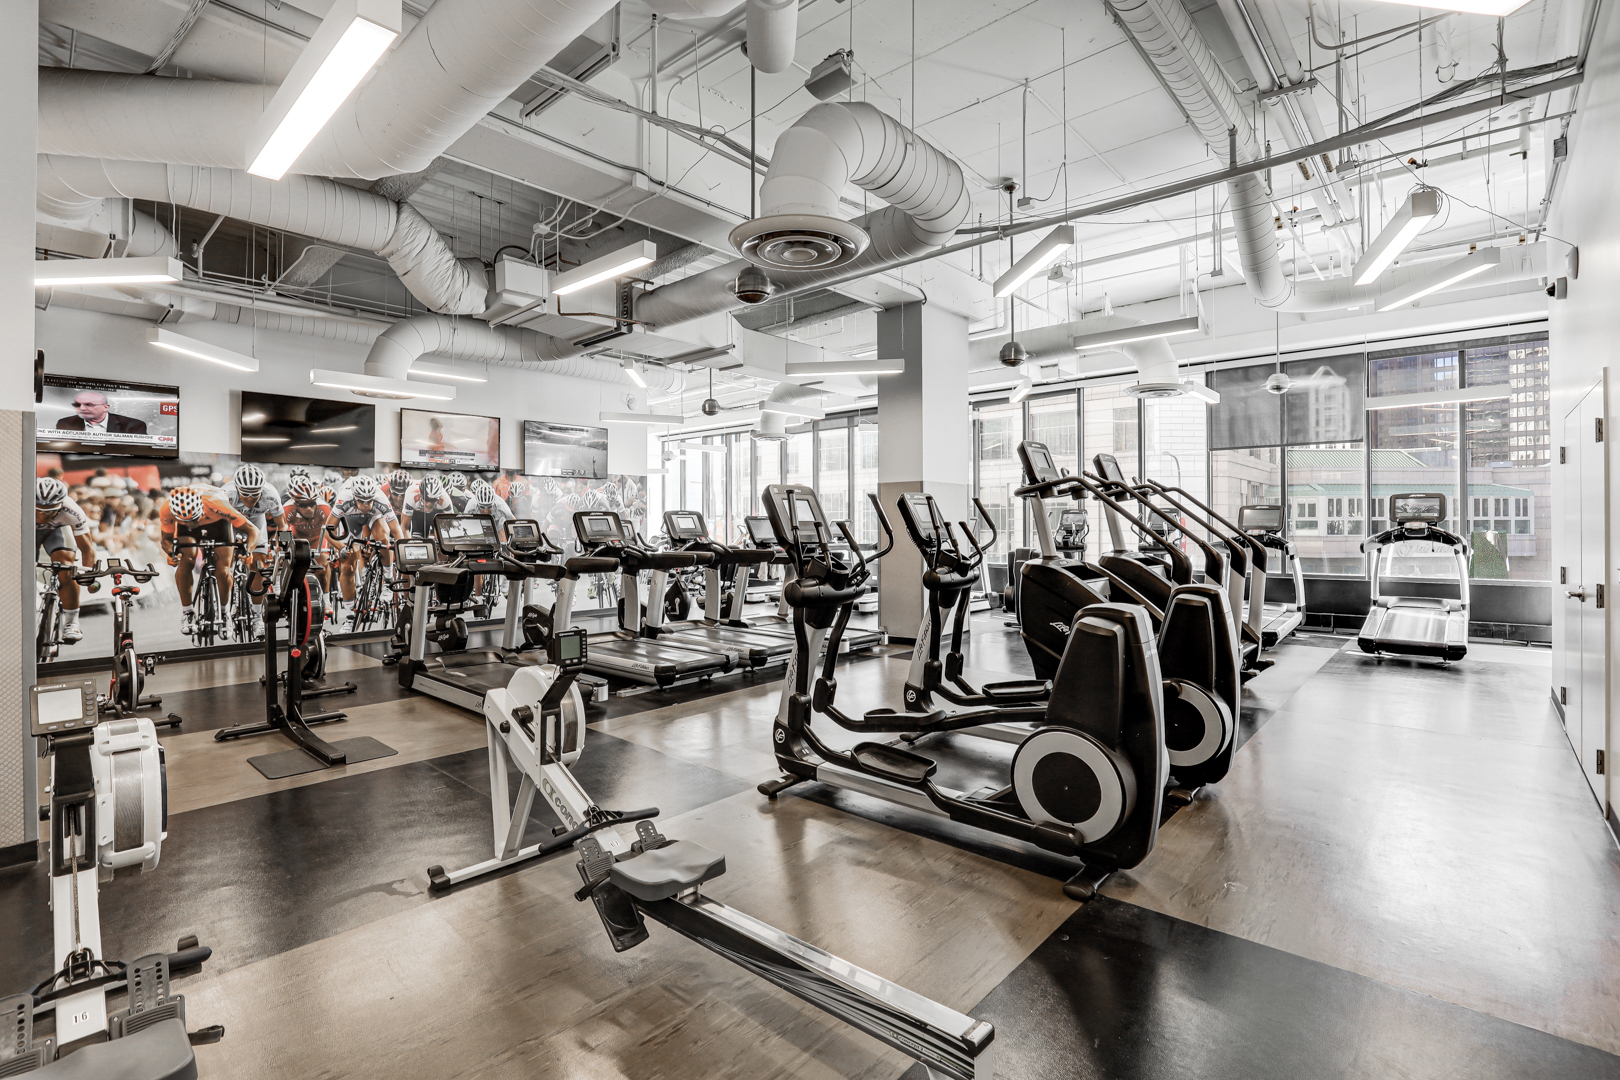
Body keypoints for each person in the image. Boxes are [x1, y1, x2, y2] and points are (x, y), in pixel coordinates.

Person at [159, 484, 258, 637]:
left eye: (193, 519)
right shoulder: (167, 509)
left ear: (201, 507)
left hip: (217, 524)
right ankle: (187, 612)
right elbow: (166, 540)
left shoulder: (218, 504)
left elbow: (253, 530)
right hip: (188, 532)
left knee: (223, 569)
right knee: (187, 560)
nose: (192, 523)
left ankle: (225, 613)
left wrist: (248, 551)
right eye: (186, 520)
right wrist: (172, 553)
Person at [221, 463, 286, 639]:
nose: (250, 499)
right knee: (224, 563)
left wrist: (283, 546)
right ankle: (224, 611)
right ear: (237, 488)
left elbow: (282, 526)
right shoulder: (226, 494)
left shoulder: (270, 494)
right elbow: (216, 525)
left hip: (257, 524)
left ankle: (258, 618)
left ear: (262, 490)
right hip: (231, 525)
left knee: (257, 566)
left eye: (255, 494)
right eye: (246, 494)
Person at [35, 477, 97, 645]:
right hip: (27, 530)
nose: (42, 515)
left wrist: (89, 577)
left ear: (60, 505)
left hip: (57, 531)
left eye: (49, 511)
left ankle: (71, 623)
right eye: (38, 510)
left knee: (66, 570)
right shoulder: (17, 503)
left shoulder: (72, 510)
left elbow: (87, 549)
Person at [329, 474, 403, 610]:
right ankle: (350, 616)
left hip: (373, 517)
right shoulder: (344, 498)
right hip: (349, 520)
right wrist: (341, 548)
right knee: (346, 567)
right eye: (362, 501)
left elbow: (396, 529)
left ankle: (388, 580)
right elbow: (328, 531)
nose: (366, 504)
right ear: (354, 497)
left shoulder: (380, 498)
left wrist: (403, 552)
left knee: (383, 539)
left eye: (369, 501)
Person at [280, 476, 335, 592]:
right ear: (296, 504)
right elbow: (284, 530)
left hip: (317, 539)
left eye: (312, 504)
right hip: (298, 539)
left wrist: (335, 551)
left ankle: (326, 599)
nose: (309, 508)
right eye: (304, 505)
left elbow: (331, 534)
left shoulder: (324, 508)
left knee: (323, 565)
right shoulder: (287, 509)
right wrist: (283, 548)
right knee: (289, 564)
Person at [54, 390, 148, 434]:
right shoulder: (65, 423)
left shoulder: (133, 425)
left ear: (105, 407)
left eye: (89, 404)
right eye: (77, 405)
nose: (81, 408)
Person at [402, 473, 455, 539]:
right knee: (417, 539)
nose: (429, 504)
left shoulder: (445, 500)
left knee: (440, 537)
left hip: (437, 513)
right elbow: (405, 526)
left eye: (433, 500)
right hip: (418, 513)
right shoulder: (411, 495)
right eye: (426, 499)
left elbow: (450, 525)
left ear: (438, 497)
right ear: (421, 495)